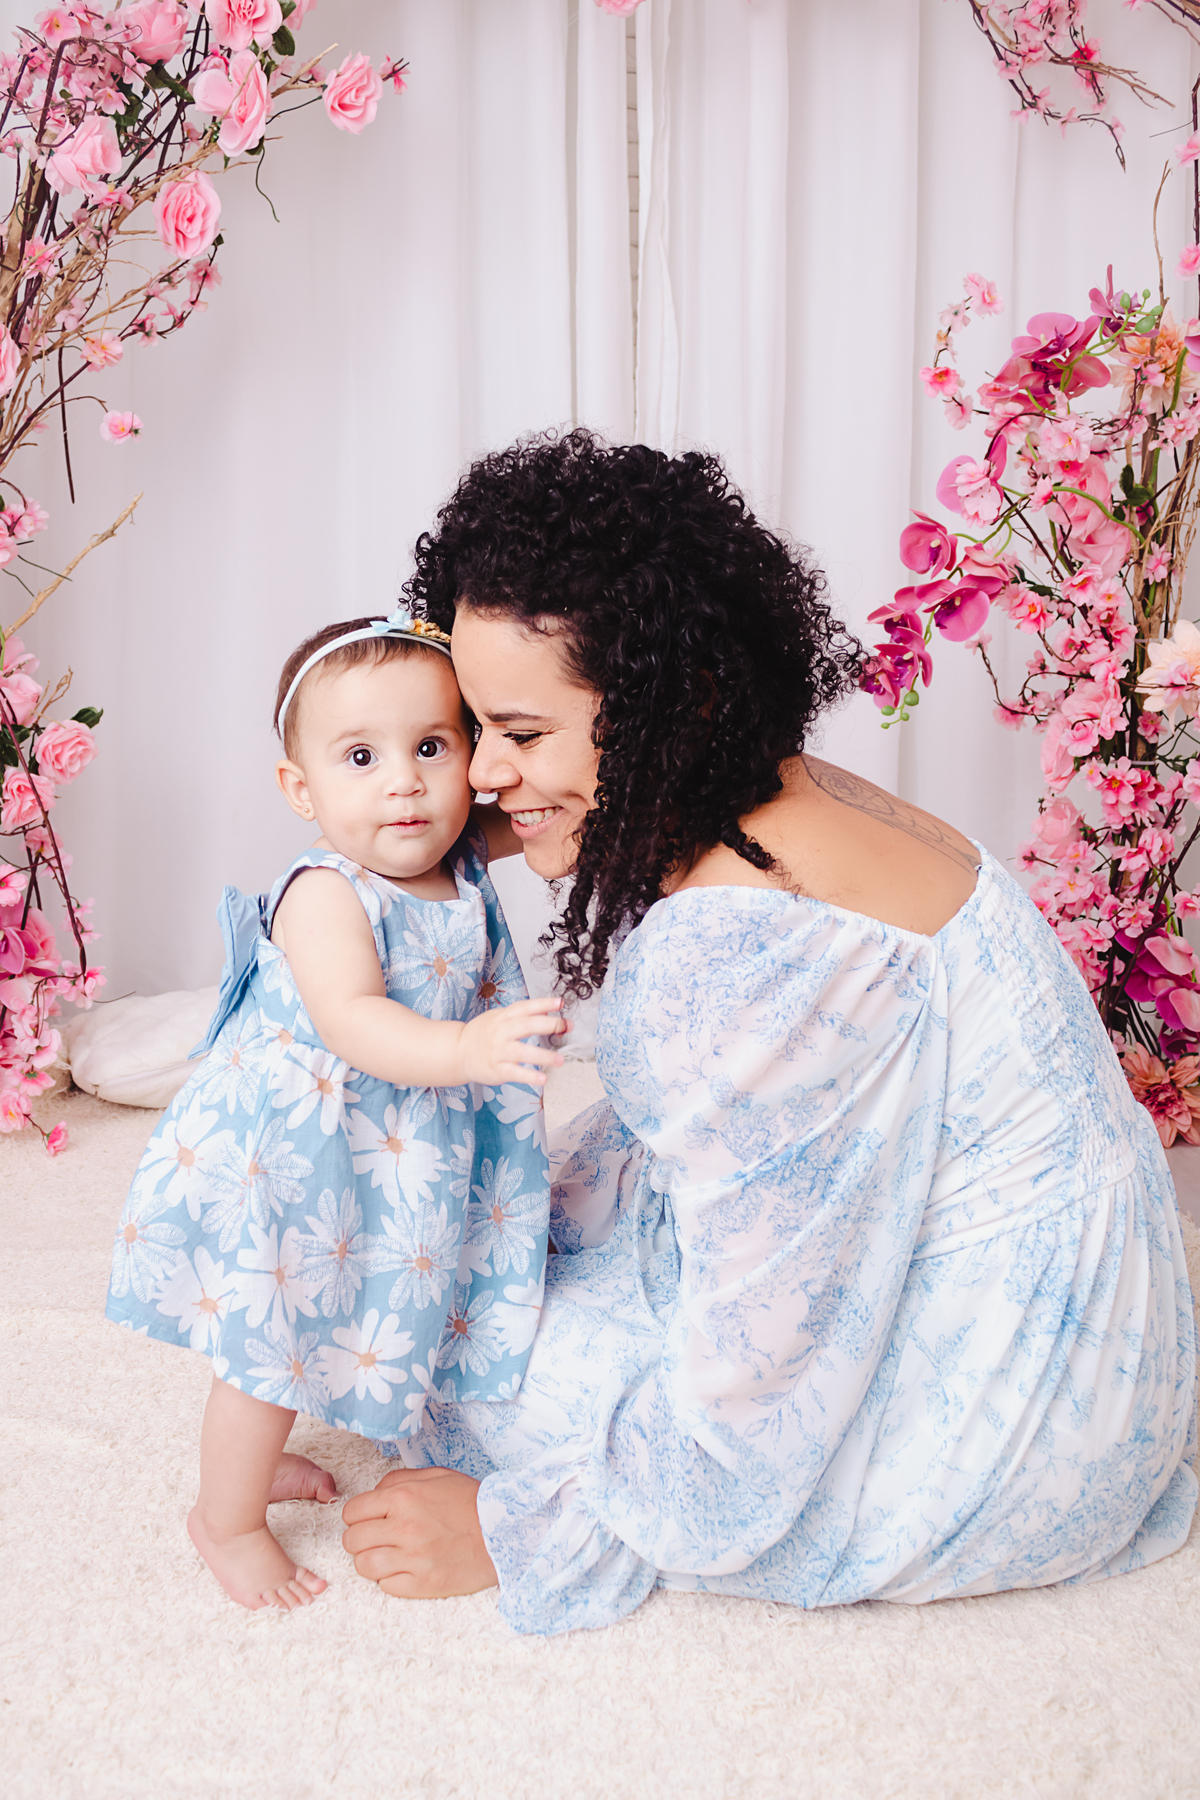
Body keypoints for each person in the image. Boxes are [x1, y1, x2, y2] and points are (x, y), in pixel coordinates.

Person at [340, 431, 1198, 1636]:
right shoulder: (788, 791)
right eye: (473, 728)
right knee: (508, 1214)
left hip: (1020, 1418)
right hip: (1093, 1322)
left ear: (670, 701)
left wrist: (517, 1526)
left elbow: (764, 1385)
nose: (482, 772)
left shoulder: (744, 954)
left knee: (453, 1331)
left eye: (522, 734)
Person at [106, 609, 564, 1611]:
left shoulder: (458, 848)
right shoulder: (327, 890)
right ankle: (222, 1520)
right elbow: (355, 1018)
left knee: (342, 1313)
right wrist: (467, 1048)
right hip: (308, 1154)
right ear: (300, 789)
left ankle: (257, 1464)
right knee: (273, 1346)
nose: (403, 780)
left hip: (393, 1146)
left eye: (431, 746)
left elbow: (543, 809)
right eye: (360, 756)